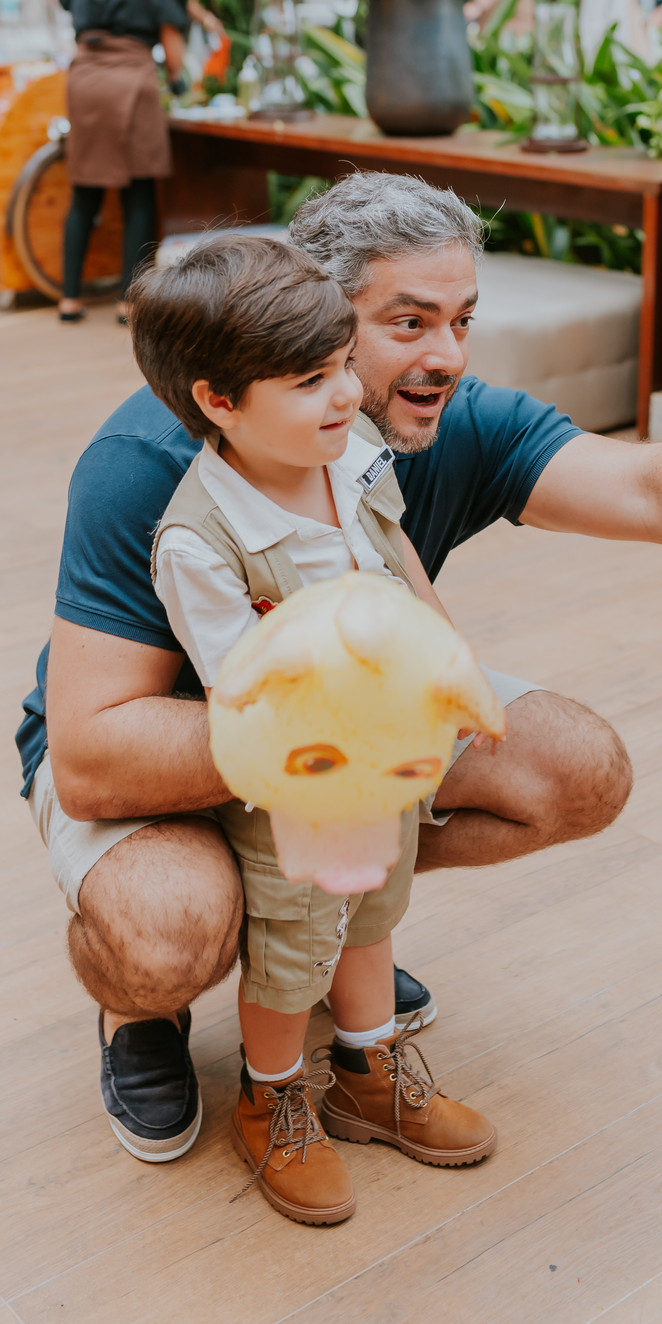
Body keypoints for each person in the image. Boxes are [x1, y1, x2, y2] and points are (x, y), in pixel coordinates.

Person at [19, 172, 662, 1168]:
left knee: (574, 768)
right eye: (409, 322)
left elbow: (651, 486)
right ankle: (144, 1006)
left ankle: (319, 927)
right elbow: (93, 760)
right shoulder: (151, 461)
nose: (446, 356)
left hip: (346, 726)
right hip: (168, 756)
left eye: (462, 321)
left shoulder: (420, 426)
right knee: (167, 931)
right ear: (314, 314)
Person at [123, 233, 494, 1215]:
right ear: (219, 401)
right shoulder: (202, 542)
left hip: (384, 767)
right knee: (293, 952)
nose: (344, 395)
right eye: (309, 383)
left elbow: (397, 567)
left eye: (340, 368)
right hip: (298, 786)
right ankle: (273, 1097)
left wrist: (449, 669)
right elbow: (247, 691)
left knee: (372, 921)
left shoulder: (354, 457)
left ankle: (369, 1076)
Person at [56, 0, 189, 326]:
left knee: (84, 191)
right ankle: (128, 303)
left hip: (84, 80)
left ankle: (69, 300)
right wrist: (179, 81)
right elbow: (173, 51)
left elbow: (69, 13)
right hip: (132, 81)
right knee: (138, 195)